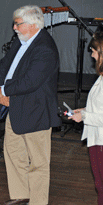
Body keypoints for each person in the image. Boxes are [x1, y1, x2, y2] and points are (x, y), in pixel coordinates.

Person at [0, 5, 61, 205]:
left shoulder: (45, 48)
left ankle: (38, 202)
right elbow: (4, 64)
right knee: (13, 152)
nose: (14, 27)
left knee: (38, 163)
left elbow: (30, 81)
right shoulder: (20, 40)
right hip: (15, 107)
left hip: (36, 111)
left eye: (18, 24)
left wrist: (3, 91)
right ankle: (21, 195)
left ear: (33, 25)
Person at [69, 31, 103, 205]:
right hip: (97, 138)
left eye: (94, 50)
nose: (92, 55)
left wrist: (84, 115)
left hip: (101, 140)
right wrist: (83, 110)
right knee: (100, 185)